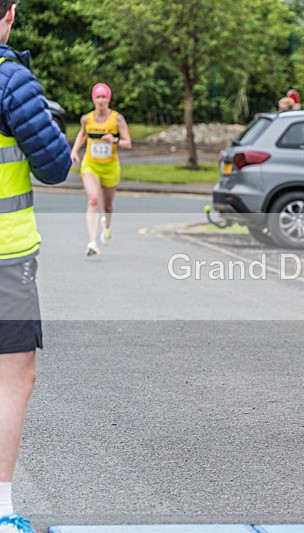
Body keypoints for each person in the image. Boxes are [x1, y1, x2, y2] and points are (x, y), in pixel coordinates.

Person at [0, 1, 71, 531]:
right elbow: (54, 166)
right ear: (10, 14)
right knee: (12, 376)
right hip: (7, 254)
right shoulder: (11, 81)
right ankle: (1, 510)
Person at [70, 83, 131, 256]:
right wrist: (74, 151)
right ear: (93, 99)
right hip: (91, 164)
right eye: (98, 97)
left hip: (110, 166)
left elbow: (128, 143)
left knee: (108, 205)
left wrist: (115, 140)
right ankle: (92, 242)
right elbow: (82, 134)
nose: (101, 100)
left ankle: (107, 226)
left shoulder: (117, 119)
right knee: (93, 199)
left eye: (104, 97)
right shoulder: (87, 119)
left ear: (109, 99)